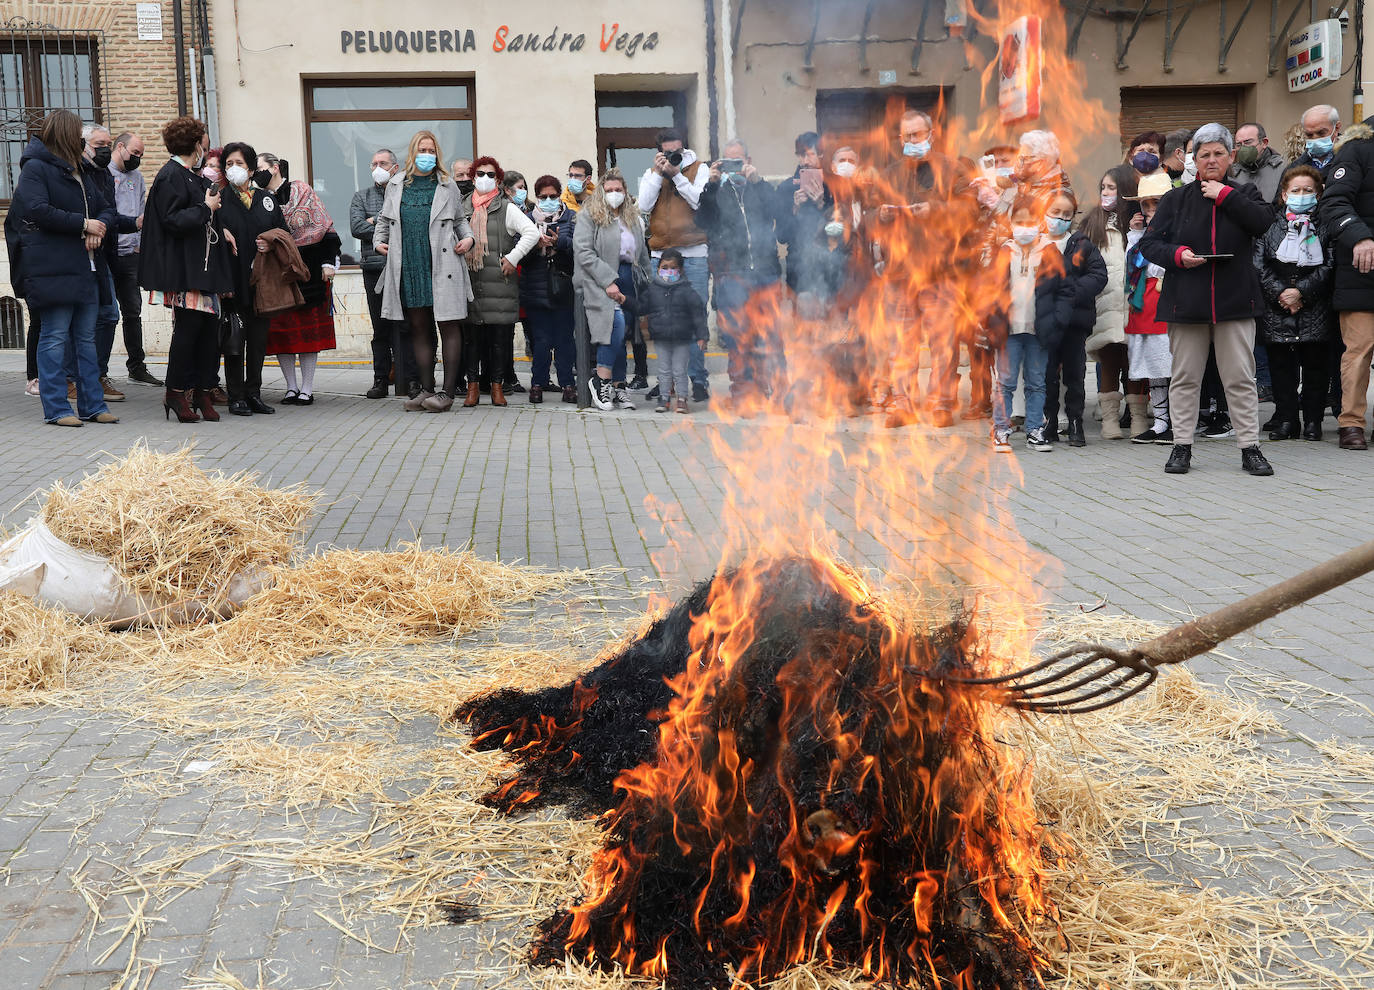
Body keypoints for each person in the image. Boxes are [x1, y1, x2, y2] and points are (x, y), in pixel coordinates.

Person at [1138, 123, 1276, 476]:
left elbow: (1263, 223)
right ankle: (1181, 446)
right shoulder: (1175, 198)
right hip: (1187, 302)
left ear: (1231, 157)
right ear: (1193, 160)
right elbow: (1150, 244)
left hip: (1235, 301)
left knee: (1241, 378)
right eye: (1204, 155)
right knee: (1185, 378)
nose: (1211, 160)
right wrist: (1179, 254)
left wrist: (1225, 196)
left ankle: (1250, 448)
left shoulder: (1245, 193)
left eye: (1218, 154)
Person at [9, 109, 119, 426]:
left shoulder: (80, 171)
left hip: (87, 269)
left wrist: (98, 227)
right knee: (55, 338)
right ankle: (57, 409)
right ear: (67, 136)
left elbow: (106, 209)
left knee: (85, 340)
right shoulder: (36, 169)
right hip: (53, 269)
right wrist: (84, 225)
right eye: (79, 137)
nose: (86, 144)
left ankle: (93, 407)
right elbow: (37, 209)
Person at [867, 112, 967, 427]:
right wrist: (879, 216)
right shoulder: (889, 174)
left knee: (942, 343)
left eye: (917, 135)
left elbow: (970, 211)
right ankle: (903, 404)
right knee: (901, 344)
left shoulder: (951, 169)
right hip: (899, 272)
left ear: (931, 134)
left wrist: (935, 210)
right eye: (906, 136)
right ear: (899, 140)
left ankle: (941, 404)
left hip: (940, 272)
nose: (912, 141)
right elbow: (867, 218)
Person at [138, 115, 236, 423]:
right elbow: (173, 220)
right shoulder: (171, 176)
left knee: (209, 336)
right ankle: (176, 393)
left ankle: (203, 392)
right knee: (188, 334)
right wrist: (207, 209)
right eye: (202, 141)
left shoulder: (192, 176)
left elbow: (204, 217)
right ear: (196, 144)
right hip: (185, 271)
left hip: (204, 269)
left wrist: (222, 226)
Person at [374, 130, 474, 412]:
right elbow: (384, 220)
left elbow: (460, 222)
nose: (426, 155)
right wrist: (378, 241)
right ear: (412, 152)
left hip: (443, 264)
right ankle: (427, 390)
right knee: (419, 328)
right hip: (410, 264)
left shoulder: (447, 184)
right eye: (422, 150)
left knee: (448, 325)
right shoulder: (396, 184)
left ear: (437, 154)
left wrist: (469, 239)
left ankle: (447, 393)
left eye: (431, 151)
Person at [696, 138, 783, 404]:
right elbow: (703, 220)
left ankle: (770, 388)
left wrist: (758, 181)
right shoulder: (717, 191)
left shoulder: (760, 187)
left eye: (739, 160)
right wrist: (710, 184)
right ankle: (743, 392)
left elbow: (778, 211)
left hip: (766, 271)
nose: (735, 167)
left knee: (770, 335)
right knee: (738, 336)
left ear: (749, 160)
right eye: (729, 162)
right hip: (731, 273)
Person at [1256, 165, 1333, 441]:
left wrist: (1300, 292)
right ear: (1285, 195)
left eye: (1308, 191)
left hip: (1315, 307)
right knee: (1281, 370)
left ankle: (1313, 422)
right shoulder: (1270, 225)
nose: (1302, 195)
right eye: (1296, 191)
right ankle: (1287, 420)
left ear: (1318, 193)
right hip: (1277, 309)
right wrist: (1282, 293)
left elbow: (1330, 264)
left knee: (1315, 370)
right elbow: (1259, 264)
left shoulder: (1327, 224)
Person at [215, 141, 288, 416]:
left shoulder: (266, 199)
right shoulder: (219, 198)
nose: (234, 169)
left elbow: (283, 233)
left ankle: (254, 392)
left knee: (258, 341)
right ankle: (236, 396)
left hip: (262, 283)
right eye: (229, 164)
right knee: (235, 340)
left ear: (250, 168)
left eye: (240, 164)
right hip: (232, 282)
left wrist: (271, 242)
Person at [639, 128, 711, 400]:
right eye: (668, 152)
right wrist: (659, 175)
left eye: (677, 151)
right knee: (664, 321)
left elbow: (698, 201)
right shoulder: (652, 173)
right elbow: (644, 206)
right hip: (662, 257)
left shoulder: (698, 169)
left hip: (693, 254)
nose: (673, 156)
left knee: (694, 318)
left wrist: (677, 174)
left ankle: (698, 379)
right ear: (659, 151)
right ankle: (666, 381)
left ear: (684, 148)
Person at [263, 157, 341, 406]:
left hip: (309, 274)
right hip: (276, 275)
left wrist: (329, 263)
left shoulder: (302, 191)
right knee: (281, 334)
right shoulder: (258, 198)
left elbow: (327, 230)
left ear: (275, 168)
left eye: (262, 168)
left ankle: (307, 388)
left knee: (308, 334)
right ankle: (291, 387)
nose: (258, 173)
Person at [1316, 114, 1374, 449]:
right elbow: (1334, 202)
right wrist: (1361, 237)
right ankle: (1351, 424)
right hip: (1361, 271)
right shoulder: (1357, 149)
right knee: (1359, 351)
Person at [462, 157, 538, 406]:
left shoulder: (506, 207)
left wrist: (513, 258)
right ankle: (472, 388)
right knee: (471, 340)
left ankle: (497, 388)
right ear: (473, 177)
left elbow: (532, 232)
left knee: (499, 341)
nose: (485, 178)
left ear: (497, 179)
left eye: (491, 174)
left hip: (500, 286)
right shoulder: (462, 206)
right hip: (470, 283)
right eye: (480, 173)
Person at [573, 168, 651, 411]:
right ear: (601, 192)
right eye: (609, 190)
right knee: (614, 325)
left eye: (618, 190)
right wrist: (608, 281)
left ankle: (619, 386)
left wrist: (651, 283)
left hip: (629, 278)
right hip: (599, 279)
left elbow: (643, 254)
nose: (614, 194)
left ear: (625, 191)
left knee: (624, 330)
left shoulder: (632, 217)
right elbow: (584, 252)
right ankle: (601, 379)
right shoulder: (589, 215)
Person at [984, 198, 1057, 453]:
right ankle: (1001, 429)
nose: (1025, 227)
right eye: (1019, 222)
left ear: (1039, 223)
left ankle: (1035, 430)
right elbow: (991, 290)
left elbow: (1060, 289)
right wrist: (991, 323)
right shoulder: (1004, 251)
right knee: (1005, 382)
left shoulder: (1049, 251)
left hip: (1038, 331)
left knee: (1036, 382)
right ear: (1011, 223)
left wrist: (1055, 321)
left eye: (1030, 221)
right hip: (1009, 331)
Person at [1037, 189, 1107, 445]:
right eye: (1055, 212)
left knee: (1075, 373)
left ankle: (1076, 421)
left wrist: (1068, 292)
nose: (1060, 218)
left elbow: (1098, 276)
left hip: (1075, 321)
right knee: (1047, 374)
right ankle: (1050, 422)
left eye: (1067, 214)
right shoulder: (1036, 245)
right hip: (1045, 321)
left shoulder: (1081, 244)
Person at [81, 124, 138, 406]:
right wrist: (88, 226)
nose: (104, 148)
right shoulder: (75, 171)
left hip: (104, 255)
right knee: (82, 321)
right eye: (98, 143)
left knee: (108, 316)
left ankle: (98, 376)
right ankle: (74, 379)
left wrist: (133, 223)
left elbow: (107, 212)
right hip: (78, 258)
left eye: (107, 142)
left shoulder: (102, 173)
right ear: (83, 144)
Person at [353, 148, 411, 399]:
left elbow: (407, 224)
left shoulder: (405, 193)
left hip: (402, 268)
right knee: (380, 327)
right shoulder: (361, 196)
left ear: (395, 168)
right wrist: (386, 219)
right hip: (374, 268)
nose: (378, 167)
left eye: (383, 163)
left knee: (405, 325)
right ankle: (380, 378)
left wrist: (374, 221)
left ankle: (407, 377)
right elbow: (356, 227)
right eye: (374, 163)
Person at [1123, 172, 1175, 443]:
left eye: (1157, 203)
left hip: (1167, 302)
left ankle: (1177, 422)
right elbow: (1132, 266)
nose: (1151, 210)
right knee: (1153, 368)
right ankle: (1160, 421)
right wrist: (1136, 234)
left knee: (1171, 366)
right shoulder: (1140, 236)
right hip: (1143, 305)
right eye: (1146, 205)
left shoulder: (1177, 229)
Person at [107, 130, 160, 388]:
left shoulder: (137, 178)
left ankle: (137, 367)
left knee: (132, 312)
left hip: (130, 255)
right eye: (135, 153)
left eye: (141, 154)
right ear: (120, 147)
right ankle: (99, 372)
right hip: (107, 254)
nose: (138, 158)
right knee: (105, 315)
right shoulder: (103, 174)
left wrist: (140, 246)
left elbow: (141, 213)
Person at [1081, 179, 1131, 440]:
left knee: (1134, 366)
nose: (1107, 193)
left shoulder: (1135, 221)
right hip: (1107, 306)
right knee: (1110, 362)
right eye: (1104, 188)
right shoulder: (1094, 223)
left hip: (1133, 306)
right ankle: (1110, 420)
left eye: (1113, 187)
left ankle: (1139, 418)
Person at [520, 174, 577, 403]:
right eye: (543, 197)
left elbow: (578, 249)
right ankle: (537, 383)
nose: (549, 200)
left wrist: (558, 242)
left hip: (563, 290)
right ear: (537, 197)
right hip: (535, 291)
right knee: (541, 341)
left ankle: (568, 385)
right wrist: (536, 245)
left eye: (553, 196)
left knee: (564, 340)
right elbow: (519, 254)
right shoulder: (526, 219)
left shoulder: (571, 218)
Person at [641, 248, 708, 413]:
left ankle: (682, 398)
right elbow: (640, 306)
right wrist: (626, 301)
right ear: (658, 268)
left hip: (682, 339)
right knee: (663, 369)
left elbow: (698, 314)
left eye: (672, 268)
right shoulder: (654, 290)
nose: (668, 271)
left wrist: (702, 336)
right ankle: (664, 398)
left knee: (679, 370)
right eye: (664, 267)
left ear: (681, 270)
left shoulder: (687, 291)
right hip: (662, 338)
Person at [1231, 123, 1287, 204]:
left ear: (1264, 143)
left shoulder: (1283, 169)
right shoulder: (1232, 173)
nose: (1243, 148)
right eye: (1238, 144)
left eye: (1248, 142)